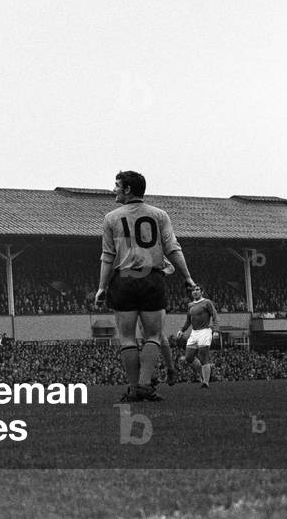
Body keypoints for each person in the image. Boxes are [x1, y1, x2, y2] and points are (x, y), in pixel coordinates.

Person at [94, 170, 198, 402]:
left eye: (117, 185)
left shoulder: (111, 218)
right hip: (152, 278)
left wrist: (102, 287)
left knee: (128, 338)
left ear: (128, 189)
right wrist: (187, 277)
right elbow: (173, 248)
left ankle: (134, 388)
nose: (114, 190)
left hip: (124, 279)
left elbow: (107, 256)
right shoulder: (160, 215)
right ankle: (144, 384)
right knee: (153, 335)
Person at [178, 286, 219, 388]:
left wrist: (216, 330)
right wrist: (182, 330)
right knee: (188, 357)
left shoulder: (207, 302)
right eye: (193, 290)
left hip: (205, 331)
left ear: (202, 292)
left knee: (203, 357)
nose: (195, 292)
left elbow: (215, 315)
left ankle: (206, 382)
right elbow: (188, 320)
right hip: (194, 332)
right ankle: (205, 374)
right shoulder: (190, 305)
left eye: (197, 290)